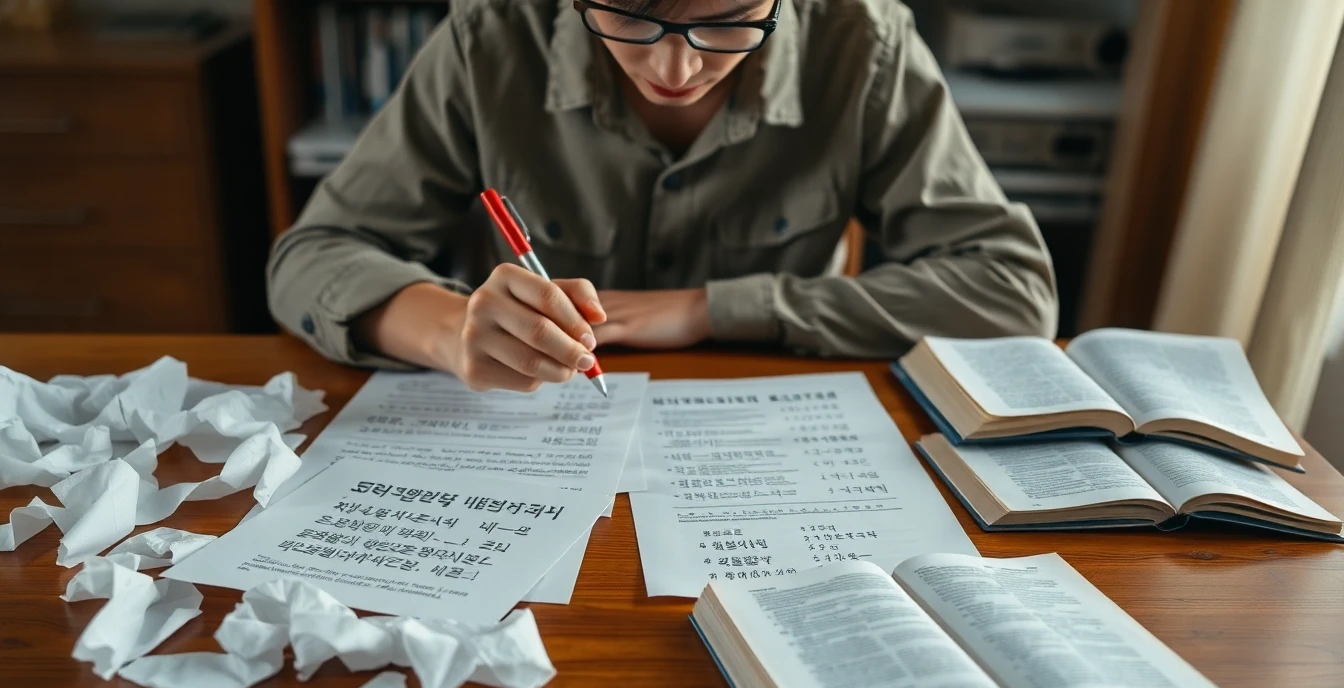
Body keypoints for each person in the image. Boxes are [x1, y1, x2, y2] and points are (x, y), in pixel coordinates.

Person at [268, 0, 1058, 392]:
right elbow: (311, 257)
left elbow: (1012, 289)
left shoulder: (862, 41)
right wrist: (451, 331)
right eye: (628, 13)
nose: (675, 71)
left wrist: (711, 310)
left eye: (730, 20)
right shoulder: (494, 35)